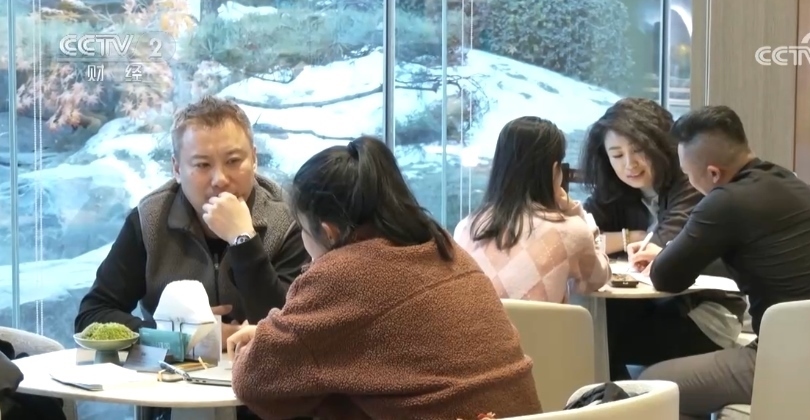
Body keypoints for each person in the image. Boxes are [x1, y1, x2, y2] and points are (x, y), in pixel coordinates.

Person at [225, 136, 543, 420]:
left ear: (328, 232)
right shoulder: (444, 248)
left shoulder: (343, 273)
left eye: (303, 231)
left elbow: (254, 380)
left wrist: (270, 339)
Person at [628, 105, 810, 419]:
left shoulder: (725, 201)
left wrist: (665, 256)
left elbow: (666, 277)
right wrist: (670, 252)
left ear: (713, 174)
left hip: (793, 359)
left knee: (652, 386)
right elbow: (758, 256)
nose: (688, 181)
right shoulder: (785, 181)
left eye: (688, 175)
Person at [74, 95, 309, 346]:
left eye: (233, 161)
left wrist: (243, 240)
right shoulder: (149, 219)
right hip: (170, 369)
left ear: (254, 159)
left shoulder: (288, 220)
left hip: (263, 369)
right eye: (202, 165)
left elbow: (293, 328)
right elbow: (92, 317)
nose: (220, 179)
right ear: (177, 169)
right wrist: (183, 337)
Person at [580, 98, 745, 380]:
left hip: (706, 314)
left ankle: (619, 402)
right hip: (654, 307)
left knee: (601, 338)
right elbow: (580, 239)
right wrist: (630, 237)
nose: (629, 164)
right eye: (617, 155)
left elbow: (661, 251)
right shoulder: (617, 192)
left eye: (639, 150)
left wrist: (633, 242)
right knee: (593, 326)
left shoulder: (690, 182)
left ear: (662, 146)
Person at [454, 116, 611, 303]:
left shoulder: (465, 227)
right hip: (542, 325)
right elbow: (596, 279)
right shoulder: (571, 231)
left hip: (481, 323)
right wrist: (578, 216)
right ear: (555, 170)